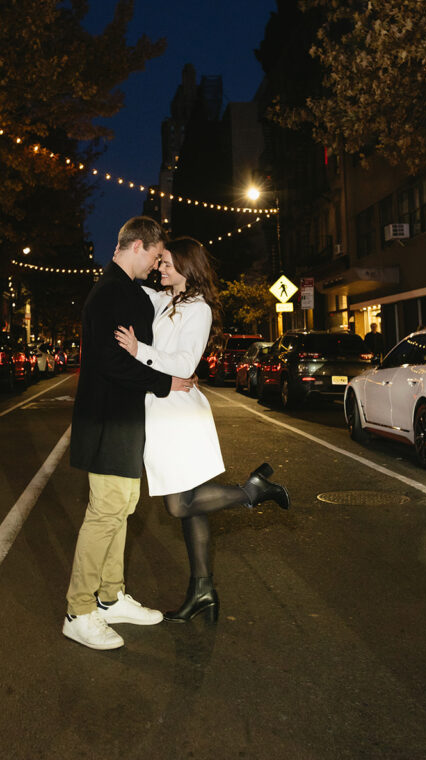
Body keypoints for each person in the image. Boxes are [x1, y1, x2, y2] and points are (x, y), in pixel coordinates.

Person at [115, 236, 290, 624]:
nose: (161, 268)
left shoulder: (199, 309)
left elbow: (183, 361)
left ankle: (251, 492)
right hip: (165, 413)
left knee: (179, 504)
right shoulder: (170, 301)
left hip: (179, 417)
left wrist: (138, 350)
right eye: (160, 263)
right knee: (192, 507)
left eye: (168, 263)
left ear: (187, 267)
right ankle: (203, 590)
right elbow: (137, 286)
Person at [64, 216, 195, 651]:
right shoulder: (110, 293)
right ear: (137, 246)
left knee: (123, 505)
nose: (157, 266)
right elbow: (109, 361)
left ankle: (109, 596)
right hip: (107, 419)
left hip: (121, 417)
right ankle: (78, 611)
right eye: (156, 256)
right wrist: (165, 382)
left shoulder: (124, 290)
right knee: (106, 511)